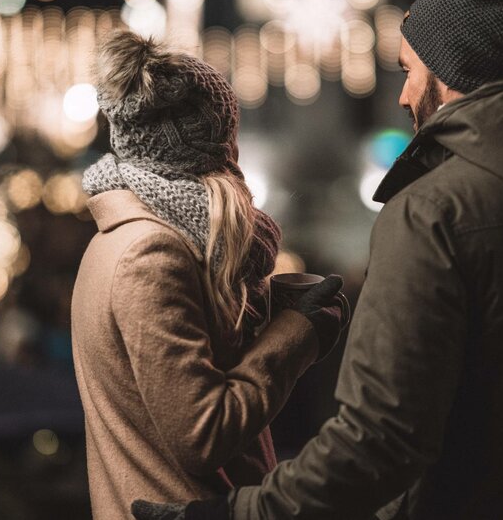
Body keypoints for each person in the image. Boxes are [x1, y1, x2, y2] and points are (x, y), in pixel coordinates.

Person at [132, 0, 503, 520]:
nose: (404, 96)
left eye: (409, 70)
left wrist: (236, 514)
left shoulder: (432, 213)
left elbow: (379, 441)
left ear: (452, 72)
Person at [71, 30, 349, 520]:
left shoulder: (123, 240)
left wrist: (265, 318)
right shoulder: (151, 254)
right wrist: (296, 335)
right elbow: (202, 434)